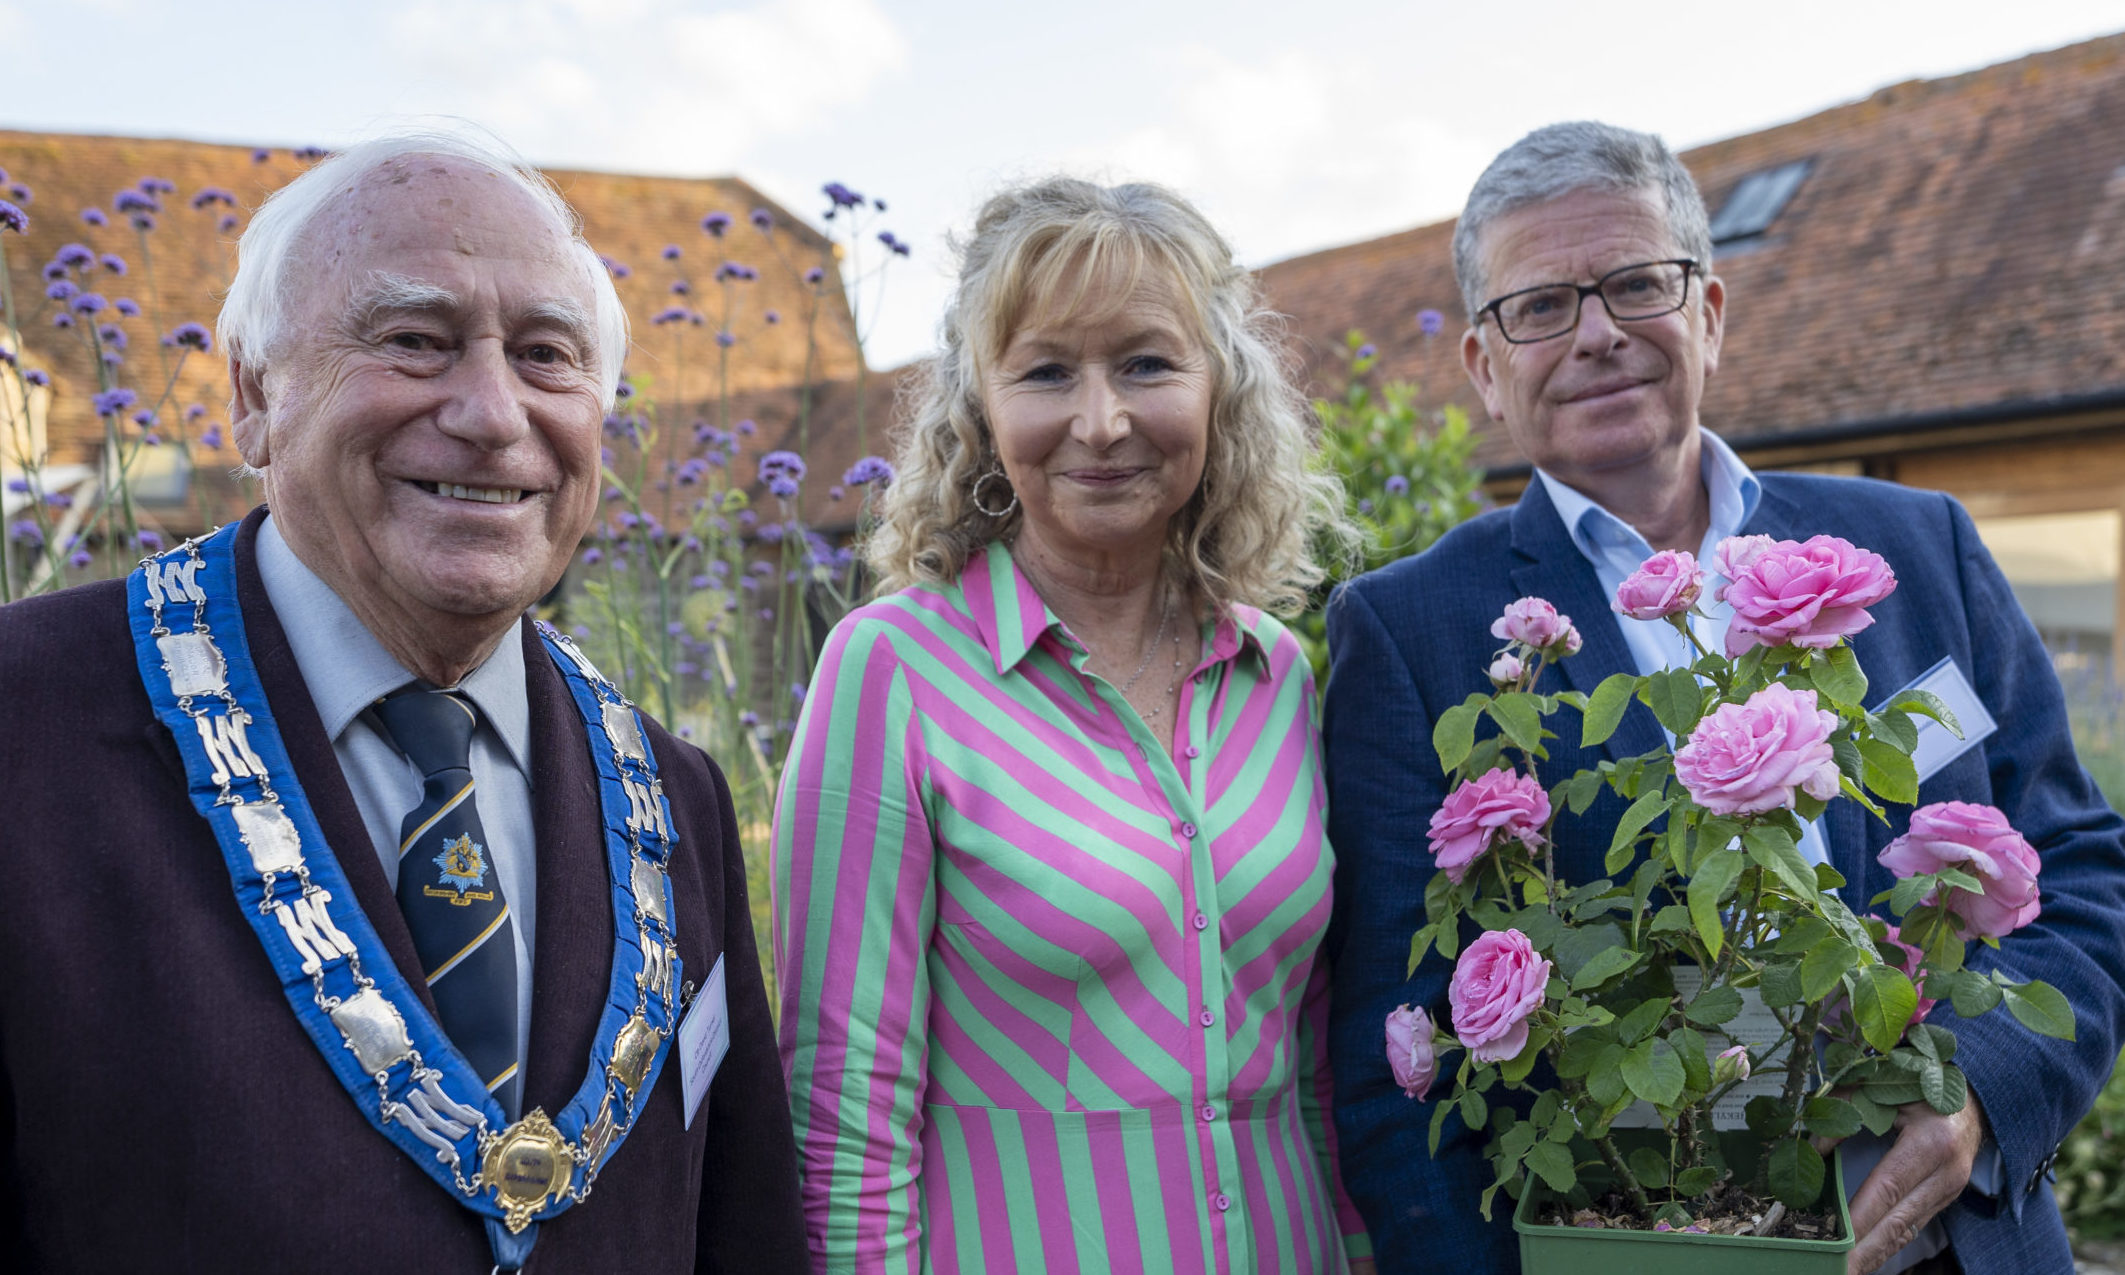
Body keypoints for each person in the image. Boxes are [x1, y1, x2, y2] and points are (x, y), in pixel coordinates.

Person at [1323, 121, 2125, 1275]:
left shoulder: (1916, 547)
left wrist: (1976, 1101)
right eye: (1539, 305)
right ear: (1483, 367)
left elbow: (2085, 867)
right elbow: (1393, 1051)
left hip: (1959, 1249)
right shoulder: (1410, 631)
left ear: (1708, 311)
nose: (1597, 333)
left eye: (1637, 284)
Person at [0, 130, 806, 1271]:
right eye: (416, 342)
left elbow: (741, 1236)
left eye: (545, 356)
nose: (491, 412)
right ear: (253, 395)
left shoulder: (675, 797)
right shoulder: (23, 726)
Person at [772, 176, 1373, 1272]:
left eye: (1146, 363)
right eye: (1047, 372)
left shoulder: (1276, 672)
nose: (1101, 422)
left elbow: (1316, 1055)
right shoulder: (892, 673)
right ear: (981, 411)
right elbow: (840, 1104)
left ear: (1218, 392)